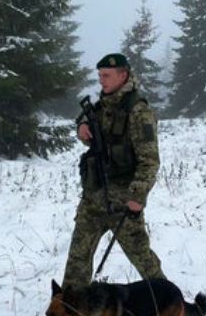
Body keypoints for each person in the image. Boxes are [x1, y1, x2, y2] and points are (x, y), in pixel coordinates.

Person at [61, 53, 166, 291]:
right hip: (94, 195)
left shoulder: (139, 111)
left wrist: (137, 197)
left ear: (123, 75)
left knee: (142, 257)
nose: (102, 81)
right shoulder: (101, 107)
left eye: (107, 75)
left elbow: (149, 160)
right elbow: (99, 144)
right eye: (99, 76)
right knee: (78, 256)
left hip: (123, 200)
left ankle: (166, 305)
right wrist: (82, 127)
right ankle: (71, 306)